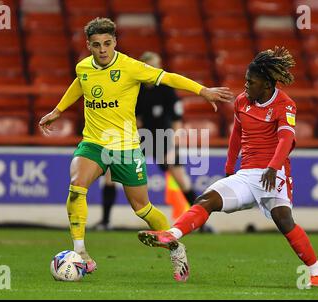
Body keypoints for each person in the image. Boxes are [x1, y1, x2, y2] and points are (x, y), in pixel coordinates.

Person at [38, 18, 233, 282]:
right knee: (76, 186)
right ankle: (81, 252)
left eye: (107, 43)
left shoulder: (131, 67)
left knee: (142, 208)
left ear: (115, 42)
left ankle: (176, 247)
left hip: (126, 147)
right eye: (96, 45)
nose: (102, 50)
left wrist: (203, 90)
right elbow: (79, 84)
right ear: (89, 46)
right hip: (94, 142)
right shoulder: (83, 67)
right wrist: (57, 111)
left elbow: (169, 77)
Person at [137, 47, 318, 287]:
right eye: (245, 80)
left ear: (267, 85)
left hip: (274, 173)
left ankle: (317, 272)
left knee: (283, 220)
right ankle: (171, 235)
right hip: (246, 175)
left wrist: (272, 167)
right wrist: (230, 167)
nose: (246, 85)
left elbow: (286, 139)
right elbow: (236, 136)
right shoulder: (242, 102)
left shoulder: (285, 104)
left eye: (251, 82)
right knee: (206, 199)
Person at [93, 51, 214, 233]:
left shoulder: (166, 88)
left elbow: (176, 120)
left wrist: (173, 146)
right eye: (150, 66)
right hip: (136, 137)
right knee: (110, 174)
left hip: (162, 137)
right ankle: (105, 221)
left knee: (181, 179)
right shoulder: (134, 87)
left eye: (157, 66)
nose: (154, 70)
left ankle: (202, 224)